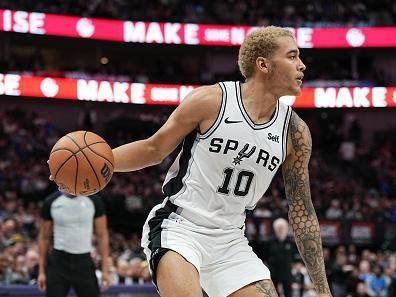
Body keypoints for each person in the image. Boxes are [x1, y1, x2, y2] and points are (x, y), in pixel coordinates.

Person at [53, 26, 332, 297]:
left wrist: (321, 288)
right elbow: (154, 148)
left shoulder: (295, 133)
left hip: (231, 240)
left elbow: (302, 210)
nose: (302, 65)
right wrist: (99, 162)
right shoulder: (211, 101)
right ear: (263, 64)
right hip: (179, 227)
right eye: (292, 56)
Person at [37, 192, 110, 297]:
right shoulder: (51, 201)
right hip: (58, 261)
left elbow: (102, 235)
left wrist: (105, 270)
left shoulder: (94, 201)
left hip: (83, 260)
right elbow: (44, 237)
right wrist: (41, 272)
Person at [267, 218, 296, 297]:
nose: (281, 230)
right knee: (274, 294)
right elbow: (265, 257)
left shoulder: (291, 242)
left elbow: (295, 257)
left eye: (283, 228)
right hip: (273, 274)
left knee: (288, 294)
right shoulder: (270, 242)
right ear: (275, 229)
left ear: (286, 229)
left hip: (287, 273)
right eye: (279, 228)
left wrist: (297, 265)